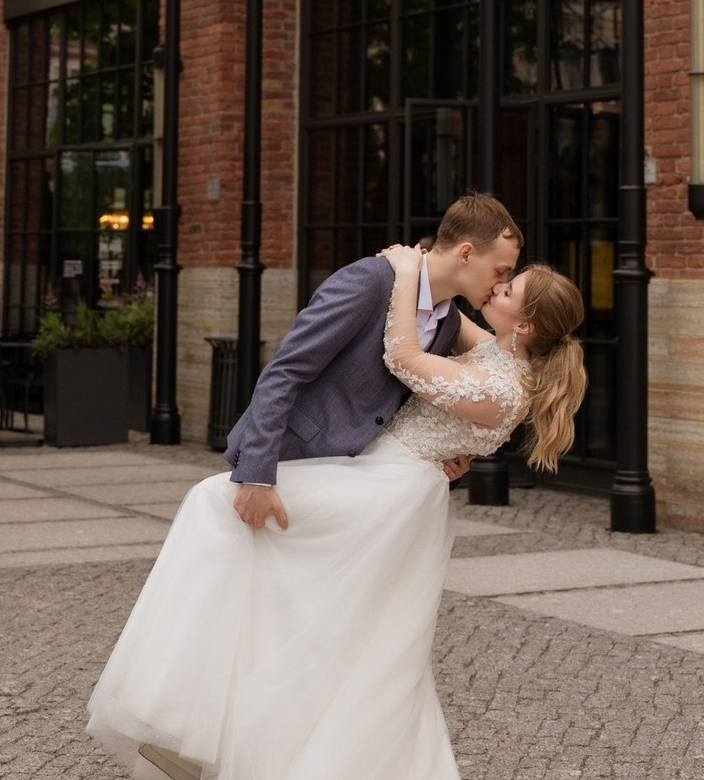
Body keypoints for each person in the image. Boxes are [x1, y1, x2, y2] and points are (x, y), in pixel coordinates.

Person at [85, 240, 587, 780]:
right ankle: (217, 725)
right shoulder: (496, 349)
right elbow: (448, 311)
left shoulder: (505, 388)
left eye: (509, 289)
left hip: (389, 494)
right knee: (333, 626)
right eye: (503, 275)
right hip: (378, 475)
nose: (499, 286)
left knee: (216, 504)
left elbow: (403, 358)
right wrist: (423, 269)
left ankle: (181, 715)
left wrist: (406, 269)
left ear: (526, 325)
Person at [226, 192, 524, 532]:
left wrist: (446, 462)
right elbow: (285, 370)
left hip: (355, 488)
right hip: (288, 462)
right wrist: (257, 475)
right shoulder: (371, 280)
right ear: (466, 253)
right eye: (500, 271)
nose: (500, 285)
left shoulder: (450, 323)